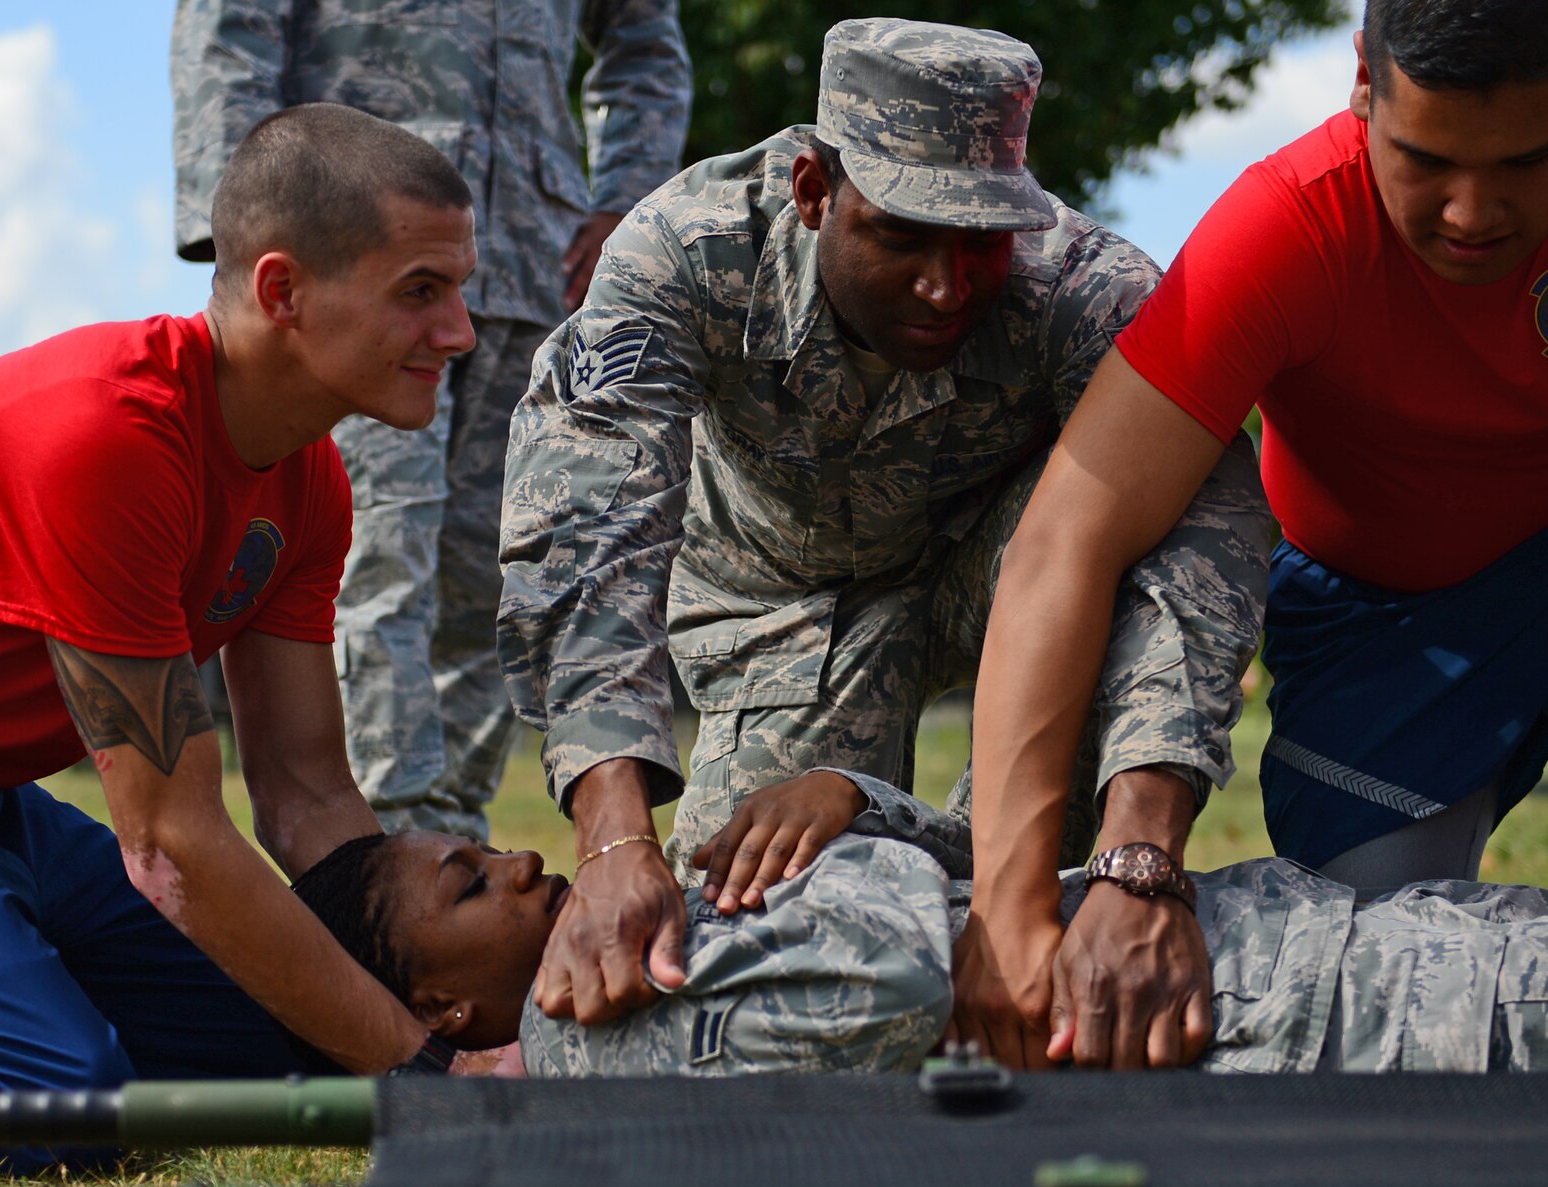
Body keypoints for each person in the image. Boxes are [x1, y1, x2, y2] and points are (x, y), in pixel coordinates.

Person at [962, 0, 1548, 1072]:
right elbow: (1063, 542)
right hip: (1388, 613)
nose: (1468, 212)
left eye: (1524, 162)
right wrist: (1004, 910)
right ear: (1360, 82)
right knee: (1371, 989)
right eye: (1422, 160)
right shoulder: (1283, 223)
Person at [0, 104, 481, 1161]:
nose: (459, 333)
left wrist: (405, 1013)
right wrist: (421, 1075)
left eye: (457, 291)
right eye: (421, 292)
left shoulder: (307, 481)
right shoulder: (104, 433)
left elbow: (305, 792)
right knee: (53, 1097)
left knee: (288, 1054)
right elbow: (169, 839)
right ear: (283, 291)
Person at [497, 18, 1272, 1037]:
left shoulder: (1084, 288)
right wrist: (610, 839)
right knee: (756, 939)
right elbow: (588, 534)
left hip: (1007, 584)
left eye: (978, 243)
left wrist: (1142, 857)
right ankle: (910, 838)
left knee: (1045, 925)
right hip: (777, 607)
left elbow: (1198, 535)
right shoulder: (685, 252)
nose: (945, 288)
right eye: (902, 236)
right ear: (814, 190)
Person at [293, 769, 1548, 1077]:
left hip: (1317, 981)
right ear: (445, 1012)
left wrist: (846, 799)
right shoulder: (612, 1011)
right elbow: (899, 965)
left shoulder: (623, 966)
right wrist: (846, 819)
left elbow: (964, 872)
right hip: (1343, 1013)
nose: (533, 862)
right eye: (473, 885)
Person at [172, 0, 692, 842]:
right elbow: (232, 27)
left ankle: (450, 850)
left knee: (503, 572)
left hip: (536, 261)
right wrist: (244, 224)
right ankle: (381, 854)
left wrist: (627, 204)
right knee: (376, 560)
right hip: (351, 267)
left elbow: (644, 42)